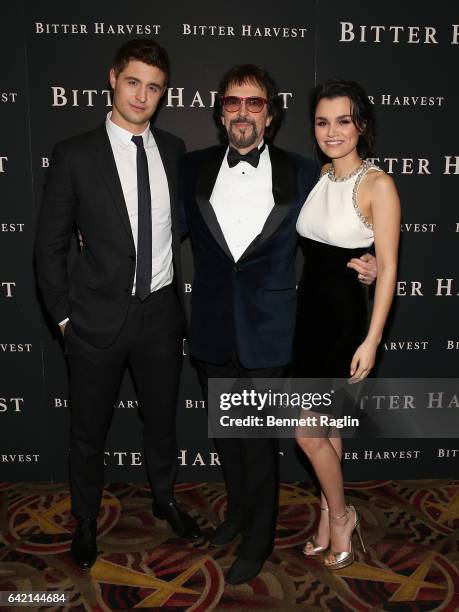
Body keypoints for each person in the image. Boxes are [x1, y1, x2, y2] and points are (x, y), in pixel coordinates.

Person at [182, 65, 377, 585]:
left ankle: (259, 540)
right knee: (227, 436)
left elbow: (336, 229)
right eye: (232, 102)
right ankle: (238, 516)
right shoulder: (191, 168)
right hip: (210, 329)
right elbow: (160, 227)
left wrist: (368, 261)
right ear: (220, 112)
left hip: (271, 329)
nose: (243, 111)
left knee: (260, 442)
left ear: (271, 113)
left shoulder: (302, 172)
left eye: (254, 102)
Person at [34, 38, 201, 571]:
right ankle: (84, 520)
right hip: (94, 319)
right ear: (112, 79)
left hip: (160, 314)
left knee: (162, 422)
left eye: (153, 87)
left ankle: (165, 498)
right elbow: (49, 246)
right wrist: (64, 317)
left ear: (163, 93)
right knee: (87, 429)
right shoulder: (74, 153)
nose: (142, 95)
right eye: (133, 82)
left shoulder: (174, 149)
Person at [294, 78, 400, 569]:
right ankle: (326, 512)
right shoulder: (323, 176)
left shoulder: (377, 184)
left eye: (343, 120)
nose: (332, 131)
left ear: (362, 125)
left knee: (307, 434)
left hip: (343, 323)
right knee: (328, 431)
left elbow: (390, 267)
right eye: (322, 121)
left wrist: (372, 340)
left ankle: (341, 517)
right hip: (308, 318)